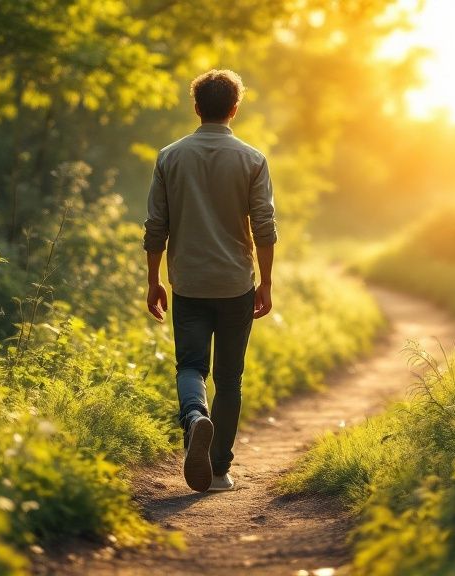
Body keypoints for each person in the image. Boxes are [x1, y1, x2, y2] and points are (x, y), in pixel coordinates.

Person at [142, 69, 277, 493]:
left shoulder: (169, 156)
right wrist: (266, 283)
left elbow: (155, 226)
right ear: (235, 108)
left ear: (197, 108)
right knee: (230, 378)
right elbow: (265, 228)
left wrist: (153, 280)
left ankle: (196, 417)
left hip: (188, 283)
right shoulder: (253, 159)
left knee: (190, 367)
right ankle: (218, 471)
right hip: (236, 283)